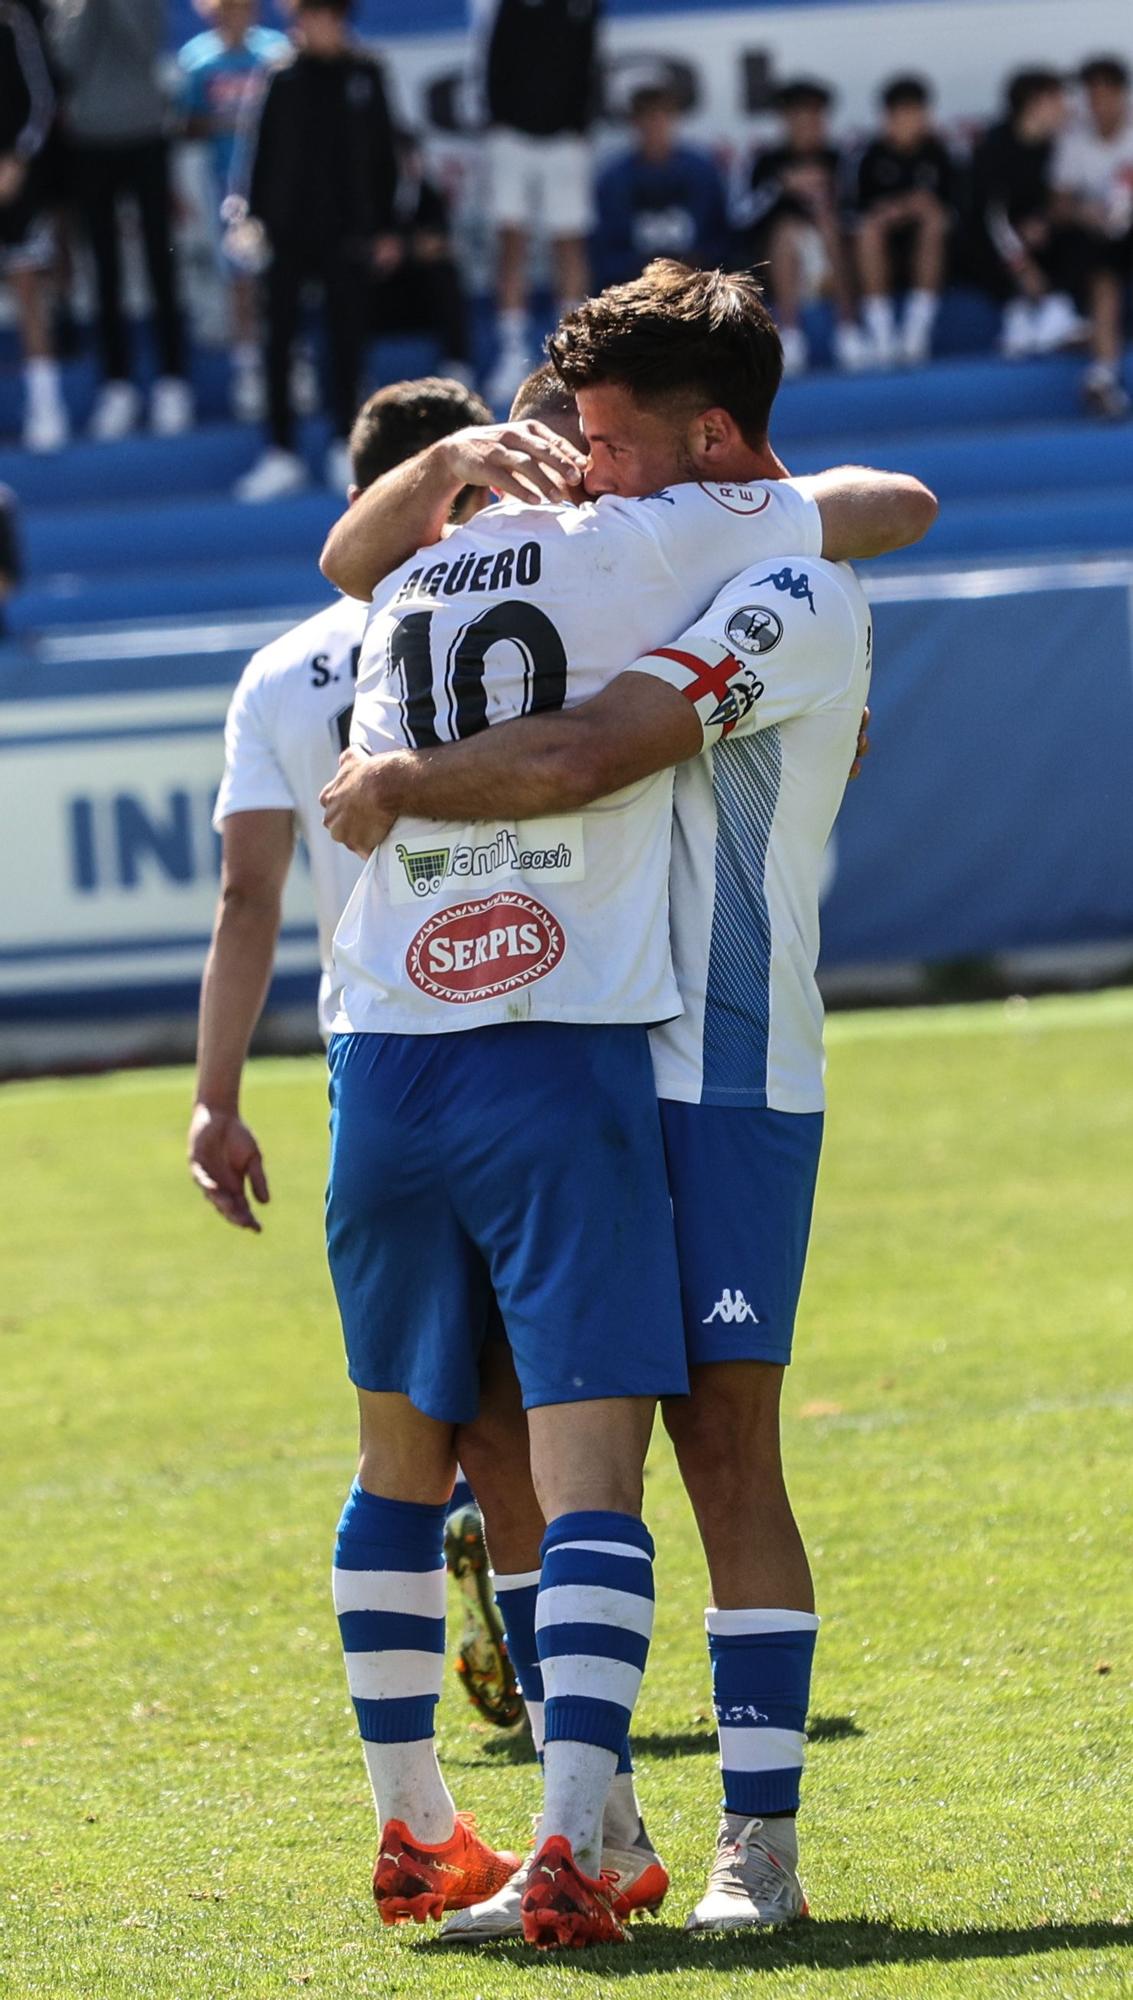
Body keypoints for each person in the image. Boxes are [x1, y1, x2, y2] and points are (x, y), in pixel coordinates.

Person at [317, 262, 936, 1946]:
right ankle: (589, 1825)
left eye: (602, 438)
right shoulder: (641, 544)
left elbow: (606, 738)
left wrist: (391, 781)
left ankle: (761, 1841)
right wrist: (471, 467)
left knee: (722, 1448)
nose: (579, 467)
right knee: (523, 1439)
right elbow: (372, 563)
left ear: (717, 439)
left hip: (715, 1069)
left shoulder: (780, 579)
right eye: (565, 435)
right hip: (561, 1049)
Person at [187, 373, 524, 1736]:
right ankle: (575, 1742)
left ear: (360, 500)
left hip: (368, 1051)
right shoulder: (510, 621)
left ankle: (437, 1549)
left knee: (398, 1406)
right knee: (523, 1400)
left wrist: (214, 1102)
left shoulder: (281, 671)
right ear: (472, 489)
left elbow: (246, 900)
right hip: (520, 1027)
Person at [231, 0, 400, 503]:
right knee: (278, 344)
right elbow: (258, 156)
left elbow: (386, 156)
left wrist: (387, 227)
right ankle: (280, 452)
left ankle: (343, 449)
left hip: (347, 237)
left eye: (327, 16)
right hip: (285, 239)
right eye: (308, 16)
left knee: (346, 344)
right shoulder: (280, 77)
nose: (318, 26)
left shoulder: (367, 75)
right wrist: (252, 219)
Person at [49, 0, 194, 440]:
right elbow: (67, 61)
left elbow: (144, 45)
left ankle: (172, 379)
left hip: (146, 136)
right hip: (91, 144)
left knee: (159, 262)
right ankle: (117, 385)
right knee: (104, 268)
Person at [477, 0, 600, 410]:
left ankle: (576, 348)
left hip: (565, 139)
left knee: (569, 241)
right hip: (512, 137)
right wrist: (502, 121)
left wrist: (578, 126)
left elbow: (587, 60)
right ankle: (512, 349)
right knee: (512, 241)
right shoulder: (511, 6)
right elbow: (497, 59)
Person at [176, 0, 289, 422]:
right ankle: (248, 370)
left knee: (280, 273)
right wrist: (227, 121)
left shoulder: (277, 51)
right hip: (228, 186)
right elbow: (186, 123)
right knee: (239, 274)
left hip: (279, 182)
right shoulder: (197, 59)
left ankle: (289, 359)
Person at [745, 78, 864, 377]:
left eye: (815, 117)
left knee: (828, 225)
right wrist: (782, 186)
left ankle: (848, 328)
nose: (808, 125)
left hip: (835, 258)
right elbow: (742, 217)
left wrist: (827, 204)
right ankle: (791, 335)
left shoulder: (840, 160)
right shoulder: (767, 162)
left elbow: (858, 213)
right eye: (800, 117)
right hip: (783, 261)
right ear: (786, 121)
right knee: (787, 230)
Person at [968, 68, 1089, 360]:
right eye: (1057, 98)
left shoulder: (1057, 145)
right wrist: (1021, 265)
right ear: (1035, 103)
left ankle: (1044, 316)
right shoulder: (994, 149)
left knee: (1080, 230)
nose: (1065, 106)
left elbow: (1058, 203)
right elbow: (990, 220)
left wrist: (1045, 221)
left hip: (1036, 242)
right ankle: (1040, 312)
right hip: (991, 248)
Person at [0, 0, 67, 450]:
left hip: (15, 187)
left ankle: (48, 409)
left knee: (27, 290)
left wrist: (16, 161)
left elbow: (40, 100)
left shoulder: (12, 22)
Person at [1051, 55, 1133, 420]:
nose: (1097, 104)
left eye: (1105, 94)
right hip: (1098, 242)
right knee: (1103, 277)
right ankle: (1102, 376)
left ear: (1121, 95)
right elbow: (1059, 205)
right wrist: (1087, 212)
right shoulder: (1074, 141)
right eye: (1091, 96)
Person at [853, 73, 954, 368]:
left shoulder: (940, 154)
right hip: (881, 253)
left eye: (915, 113)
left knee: (934, 221)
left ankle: (916, 330)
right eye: (901, 115)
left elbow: (955, 210)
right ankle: (881, 333)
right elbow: (851, 214)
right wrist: (888, 212)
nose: (909, 122)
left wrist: (918, 207)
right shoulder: (868, 157)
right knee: (868, 228)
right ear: (887, 118)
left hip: (931, 254)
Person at [591, 82, 731, 289]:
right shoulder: (614, 179)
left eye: (662, 118)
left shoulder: (702, 170)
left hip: (696, 281)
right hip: (635, 285)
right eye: (647, 119)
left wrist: (695, 265)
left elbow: (720, 236)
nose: (655, 127)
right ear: (635, 124)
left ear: (674, 120)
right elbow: (606, 247)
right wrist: (642, 269)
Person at [370, 131, 473, 386]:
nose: (409, 165)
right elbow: (371, 251)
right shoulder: (371, 196)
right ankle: (354, 375)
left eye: (413, 158)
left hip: (420, 296)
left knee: (445, 274)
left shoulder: (428, 194)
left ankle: (457, 365)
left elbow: (441, 244)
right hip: (382, 295)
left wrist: (403, 249)